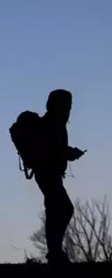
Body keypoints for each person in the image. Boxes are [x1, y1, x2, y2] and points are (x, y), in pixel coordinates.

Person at [35, 89, 85, 265]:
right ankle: (54, 251)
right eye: (67, 105)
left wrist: (67, 153)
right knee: (63, 208)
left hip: (49, 173)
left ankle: (54, 251)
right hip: (47, 173)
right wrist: (69, 153)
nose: (69, 109)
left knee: (56, 208)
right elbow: (52, 149)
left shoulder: (54, 122)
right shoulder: (52, 123)